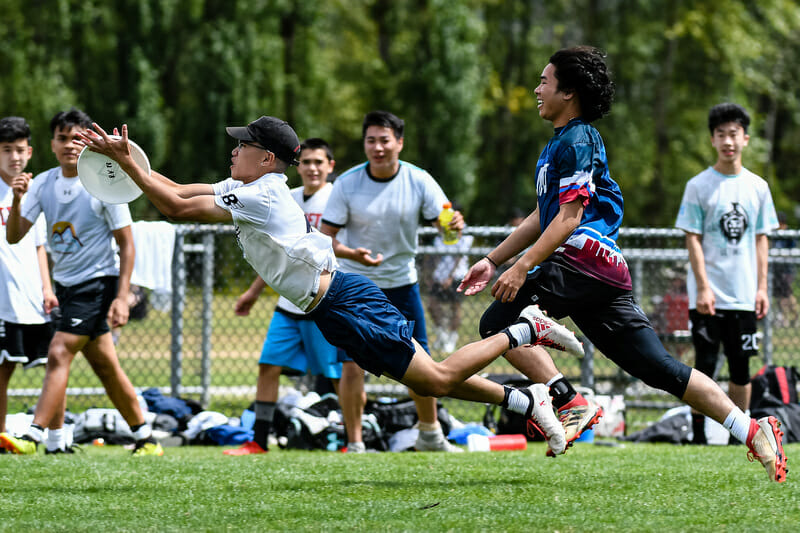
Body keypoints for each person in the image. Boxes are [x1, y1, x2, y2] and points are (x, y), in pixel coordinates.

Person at [74, 115, 593, 457]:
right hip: (334, 304)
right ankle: (529, 404)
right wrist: (132, 162)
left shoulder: (264, 194)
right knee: (424, 378)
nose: (233, 152)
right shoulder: (245, 185)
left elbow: (173, 207)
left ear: (268, 159)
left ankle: (523, 331)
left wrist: (127, 167)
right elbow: (181, 189)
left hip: (341, 301)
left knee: (432, 380)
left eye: (243, 146)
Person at [459, 47, 787, 482]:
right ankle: (751, 429)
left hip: (580, 260)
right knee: (660, 369)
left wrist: (521, 267)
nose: (537, 90)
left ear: (569, 93)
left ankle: (567, 398)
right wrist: (492, 259)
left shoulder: (578, 138)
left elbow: (569, 217)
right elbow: (543, 216)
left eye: (544, 82)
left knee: (497, 321)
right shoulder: (559, 144)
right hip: (601, 271)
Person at [1, 108, 162, 456]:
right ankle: (146, 438)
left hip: (98, 283)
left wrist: (122, 296)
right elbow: (14, 236)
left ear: (88, 140)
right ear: (52, 144)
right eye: (62, 138)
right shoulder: (42, 183)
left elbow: (127, 243)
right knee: (105, 365)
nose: (70, 145)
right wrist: (16, 199)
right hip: (68, 287)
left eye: (77, 138)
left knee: (59, 351)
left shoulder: (105, 182)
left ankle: (34, 435)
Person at [319, 110, 464, 453]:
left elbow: (446, 230)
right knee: (352, 365)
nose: (377, 147)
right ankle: (354, 444)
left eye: (385, 140)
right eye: (371, 140)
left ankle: (430, 436)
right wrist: (354, 255)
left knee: (423, 363)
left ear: (399, 142)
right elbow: (325, 238)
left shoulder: (420, 180)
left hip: (402, 284)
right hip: (355, 287)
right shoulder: (347, 183)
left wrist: (453, 225)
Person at [224, 138, 344, 456]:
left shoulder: (336, 199)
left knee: (335, 374)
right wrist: (252, 292)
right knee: (269, 364)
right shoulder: (283, 195)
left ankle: (348, 437)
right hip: (288, 303)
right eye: (306, 162)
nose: (312, 168)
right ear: (296, 166)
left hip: (320, 298)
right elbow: (278, 252)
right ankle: (259, 440)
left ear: (330, 167)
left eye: (319, 162)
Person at [675, 103, 780, 445]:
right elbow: (693, 238)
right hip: (708, 295)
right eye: (721, 134)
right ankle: (697, 436)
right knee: (704, 364)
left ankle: (740, 437)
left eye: (733, 134)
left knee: (740, 367)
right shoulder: (698, 186)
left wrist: (762, 288)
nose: (727, 141)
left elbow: (761, 239)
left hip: (744, 294)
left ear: (745, 139)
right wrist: (703, 287)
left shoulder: (758, 187)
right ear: (712, 140)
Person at [0, 117, 57, 444]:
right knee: (2, 370)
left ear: (30, 152)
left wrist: (47, 288)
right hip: (3, 299)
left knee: (55, 362)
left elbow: (38, 246)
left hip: (31, 297)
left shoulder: (35, 190)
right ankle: (3, 435)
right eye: (6, 150)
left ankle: (55, 438)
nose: (14, 157)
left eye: (19, 150)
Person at [425, 201, 474, 353]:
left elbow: (459, 256)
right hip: (440, 275)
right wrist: (431, 275)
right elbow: (436, 256)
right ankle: (442, 335)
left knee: (455, 307)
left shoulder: (466, 233)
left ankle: (452, 338)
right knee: (432, 305)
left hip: (457, 275)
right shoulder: (442, 231)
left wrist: (450, 278)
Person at [772, 212, 798, 328]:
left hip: (787, 269)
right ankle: (783, 318)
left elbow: (792, 250)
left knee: (786, 295)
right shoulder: (775, 234)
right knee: (779, 295)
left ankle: (795, 316)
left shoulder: (788, 234)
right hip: (777, 269)